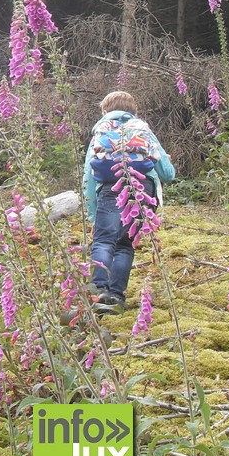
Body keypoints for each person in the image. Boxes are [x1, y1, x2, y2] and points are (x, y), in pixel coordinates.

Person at [83, 91, 175, 314]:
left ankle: (99, 292)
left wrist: (93, 212)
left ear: (105, 111)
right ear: (134, 112)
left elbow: (89, 173)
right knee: (125, 244)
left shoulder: (101, 129)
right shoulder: (143, 129)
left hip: (110, 189)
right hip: (142, 190)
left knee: (103, 241)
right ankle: (117, 296)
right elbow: (168, 173)